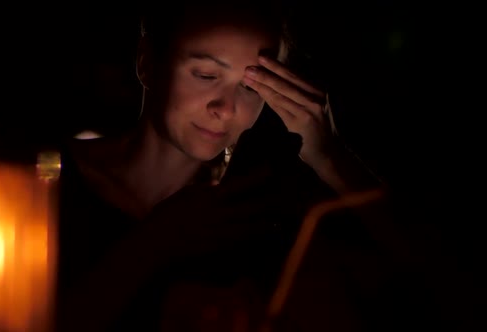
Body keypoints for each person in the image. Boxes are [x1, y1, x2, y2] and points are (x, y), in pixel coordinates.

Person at [54, 1, 383, 331]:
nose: (226, 109)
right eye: (206, 75)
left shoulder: (263, 225)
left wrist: (331, 157)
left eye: (250, 87)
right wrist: (150, 244)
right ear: (147, 63)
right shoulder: (43, 182)